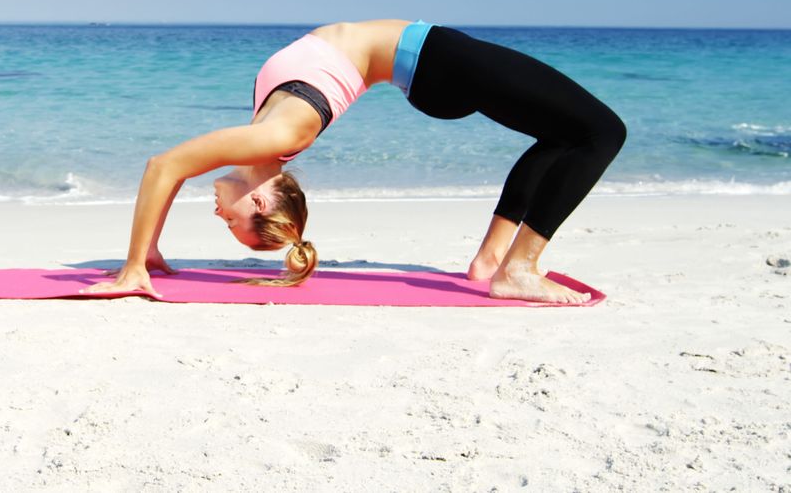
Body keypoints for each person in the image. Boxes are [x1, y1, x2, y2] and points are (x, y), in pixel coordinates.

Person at [82, 20, 626, 304]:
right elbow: (164, 166)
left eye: (228, 226)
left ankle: (491, 264)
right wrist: (134, 265)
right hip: (436, 60)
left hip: (431, 66)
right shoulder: (276, 135)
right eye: (233, 225)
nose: (218, 215)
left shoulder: (264, 137)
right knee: (602, 131)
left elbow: (167, 169)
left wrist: (145, 254)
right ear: (261, 199)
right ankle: (518, 269)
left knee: (563, 136)